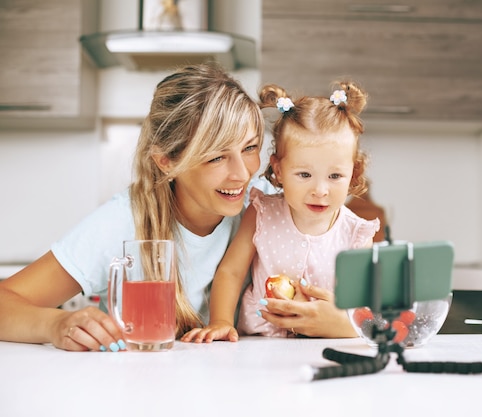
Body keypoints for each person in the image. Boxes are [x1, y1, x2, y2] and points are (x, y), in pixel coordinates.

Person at [0, 63, 266, 352]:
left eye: (249, 148)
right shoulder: (123, 220)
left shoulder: (264, 208)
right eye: (216, 157)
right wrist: (55, 324)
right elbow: (6, 301)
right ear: (167, 161)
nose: (242, 173)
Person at [181, 81, 380, 342]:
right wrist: (221, 321)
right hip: (258, 346)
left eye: (335, 176)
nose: (320, 190)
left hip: (326, 348)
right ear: (278, 169)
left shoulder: (357, 235)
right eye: (304, 174)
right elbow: (231, 272)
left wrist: (345, 326)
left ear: (353, 173)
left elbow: (363, 314)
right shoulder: (262, 212)